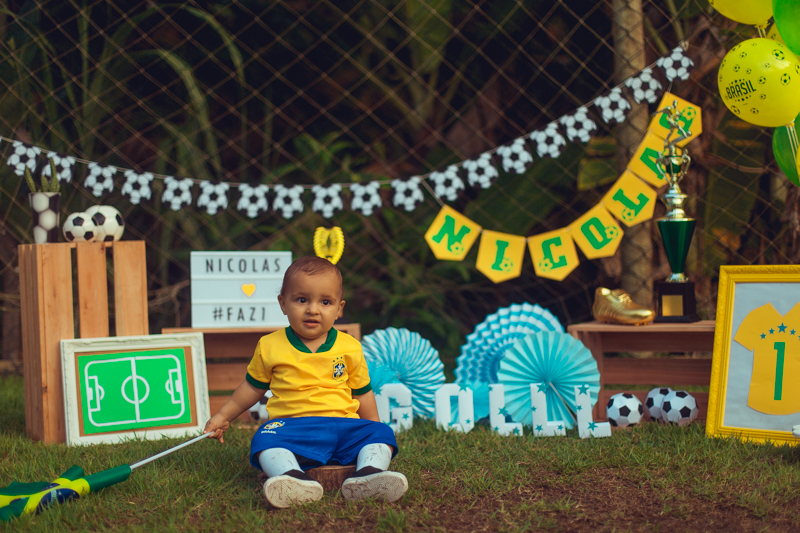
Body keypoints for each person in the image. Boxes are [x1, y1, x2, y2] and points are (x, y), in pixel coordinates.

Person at [204, 256, 407, 508]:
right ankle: (291, 477)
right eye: (302, 300)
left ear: (339, 308)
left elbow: (362, 393)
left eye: (325, 302)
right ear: (283, 303)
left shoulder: (350, 347)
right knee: (264, 439)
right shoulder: (270, 346)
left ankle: (368, 475)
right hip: (292, 428)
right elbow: (251, 388)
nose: (313, 309)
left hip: (343, 426)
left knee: (382, 433)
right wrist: (223, 416)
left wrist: (371, 428)